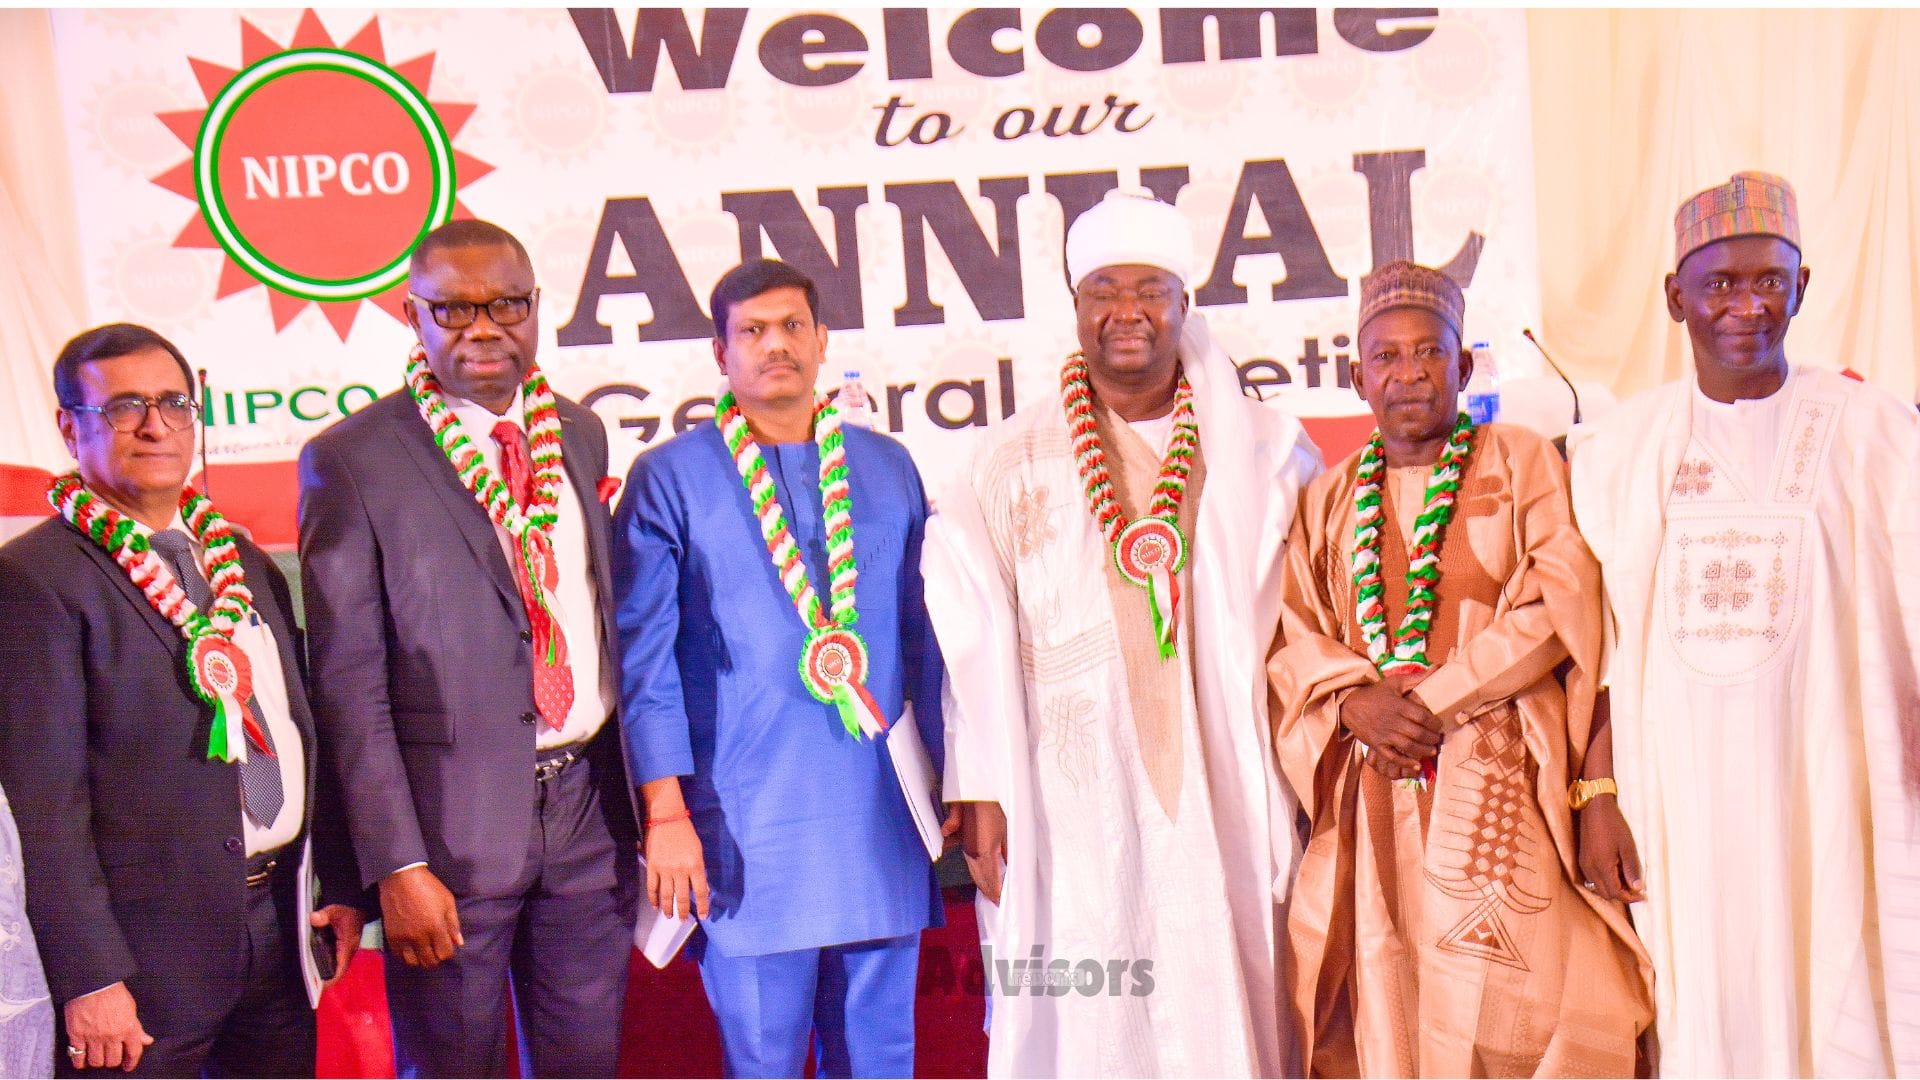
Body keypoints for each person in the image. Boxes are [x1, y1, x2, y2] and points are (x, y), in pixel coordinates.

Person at [921, 188, 1322, 1077]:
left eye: (1150, 289)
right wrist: (979, 787)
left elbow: (1309, 620)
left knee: (1230, 973)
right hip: (1067, 785)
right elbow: (970, 642)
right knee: (1087, 994)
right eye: (1103, 290)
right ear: (1075, 307)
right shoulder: (1005, 460)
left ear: (1185, 302)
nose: (1127, 311)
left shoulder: (1262, 452)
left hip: (1224, 769)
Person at [1570, 171, 1920, 1076]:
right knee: (1707, 1008)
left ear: (1802, 287)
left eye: (1770, 280)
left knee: (1834, 984)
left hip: (1829, 780)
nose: (1747, 305)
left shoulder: (1875, 432)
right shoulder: (1620, 452)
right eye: (1720, 283)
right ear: (1675, 296)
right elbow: (1600, 646)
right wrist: (1597, 793)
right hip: (1677, 796)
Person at [1267, 261, 1654, 1076]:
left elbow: (1560, 602)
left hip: (1503, 778)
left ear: (1464, 365)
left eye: (1429, 353)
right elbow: (1296, 636)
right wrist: (1354, 706)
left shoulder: (1523, 462)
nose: (1408, 374)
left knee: (1523, 995)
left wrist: (1435, 700)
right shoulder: (1326, 499)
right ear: (1357, 378)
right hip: (1377, 789)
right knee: (1394, 999)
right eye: (1386, 357)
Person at [298, 220, 638, 1077]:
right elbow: (348, 687)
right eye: (453, 309)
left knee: (586, 1065)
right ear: (412, 315)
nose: (483, 328)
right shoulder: (352, 461)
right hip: (446, 838)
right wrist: (398, 864)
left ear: (536, 308)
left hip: (589, 814)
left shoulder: (578, 432)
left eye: (505, 305)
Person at [0, 324, 363, 1077]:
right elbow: (43, 805)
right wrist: (91, 977)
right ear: (69, 427)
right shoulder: (34, 581)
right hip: (142, 969)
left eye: (173, 403)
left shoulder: (243, 562)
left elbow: (301, 729)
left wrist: (338, 881)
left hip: (279, 933)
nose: (155, 425)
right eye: (124, 406)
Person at [612, 259, 946, 1078]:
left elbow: (926, 643)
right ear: (719, 353)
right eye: (753, 331)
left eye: (793, 326)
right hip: (743, 827)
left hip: (879, 820)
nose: (776, 346)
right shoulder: (670, 478)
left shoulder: (887, 465)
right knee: (762, 1058)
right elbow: (645, 662)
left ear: (822, 340)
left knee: (881, 1059)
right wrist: (665, 812)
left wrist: (959, 781)